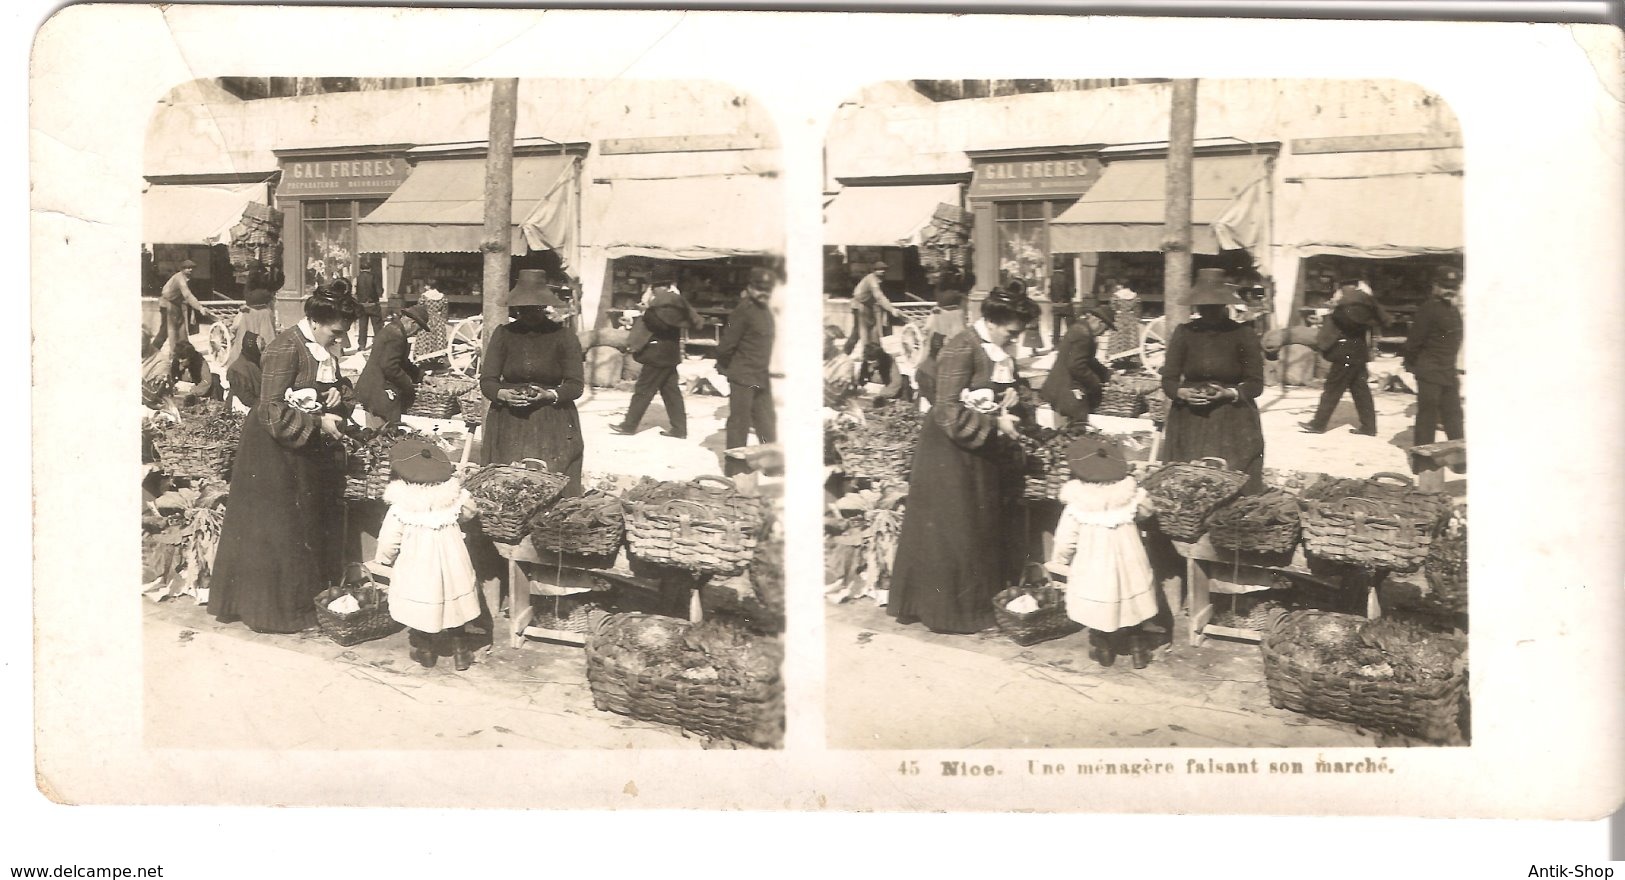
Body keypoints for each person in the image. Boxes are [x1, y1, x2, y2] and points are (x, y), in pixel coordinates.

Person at [887, 287, 1041, 634]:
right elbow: (948, 410)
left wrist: (1012, 397)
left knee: (975, 528)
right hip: (948, 453)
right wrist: (996, 423)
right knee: (953, 531)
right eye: (1011, 331)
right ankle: (947, 612)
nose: (1014, 339)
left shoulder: (995, 349)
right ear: (992, 320)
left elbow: (989, 391)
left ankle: (972, 604)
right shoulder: (961, 347)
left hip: (976, 450)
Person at [208, 290, 362, 633]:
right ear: (315, 321)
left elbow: (327, 388)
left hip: (299, 447)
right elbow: (270, 410)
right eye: (336, 332)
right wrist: (318, 422)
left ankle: (298, 600)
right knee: (277, 529)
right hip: (271, 450)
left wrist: (337, 395)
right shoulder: (285, 347)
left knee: (299, 525)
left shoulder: (322, 347)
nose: (341, 339)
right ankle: (271, 610)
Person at [368, 439, 482, 671]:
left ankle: (426, 651)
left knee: (422, 606)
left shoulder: (400, 508)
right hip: (452, 563)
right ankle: (461, 652)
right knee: (454, 607)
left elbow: (389, 540)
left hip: (418, 567)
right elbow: (470, 512)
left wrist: (384, 559)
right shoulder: (453, 497)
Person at [1046, 436, 1159, 668]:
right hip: (1128, 561)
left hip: (1094, 565)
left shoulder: (1077, 503)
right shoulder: (1130, 494)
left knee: (1098, 604)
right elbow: (1147, 511)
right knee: (1132, 604)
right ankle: (1138, 648)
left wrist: (1060, 560)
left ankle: (1103, 648)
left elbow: (1065, 539)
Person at [479, 269, 586, 495]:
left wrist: (550, 395)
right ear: (516, 308)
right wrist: (502, 394)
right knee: (508, 486)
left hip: (551, 420)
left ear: (544, 306)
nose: (529, 314)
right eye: (523, 308)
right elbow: (488, 381)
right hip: (509, 420)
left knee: (548, 483)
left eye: (535, 308)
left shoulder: (563, 336)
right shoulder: (504, 334)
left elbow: (576, 385)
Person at [1160, 268, 1267, 493]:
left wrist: (1230, 393)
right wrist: (1181, 393)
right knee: (1188, 484)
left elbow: (1256, 384)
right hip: (1189, 418)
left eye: (1214, 307)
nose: (1208, 312)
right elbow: (1169, 379)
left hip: (1232, 418)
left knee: (1230, 481)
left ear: (1224, 306)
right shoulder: (1184, 333)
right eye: (1203, 307)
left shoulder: (1242, 334)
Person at [613, 271, 701, 439]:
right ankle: (679, 429)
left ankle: (629, 426)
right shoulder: (677, 303)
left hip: (657, 355)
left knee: (643, 390)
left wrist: (646, 310)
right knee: (671, 392)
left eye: (653, 287)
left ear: (657, 287)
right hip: (670, 354)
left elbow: (657, 324)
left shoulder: (661, 304)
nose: (651, 290)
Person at [716, 268, 778, 476]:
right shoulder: (742, 311)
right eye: (759, 289)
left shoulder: (765, 310)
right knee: (739, 422)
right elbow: (726, 345)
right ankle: (734, 467)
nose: (764, 293)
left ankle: (772, 463)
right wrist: (728, 368)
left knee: (766, 420)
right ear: (750, 287)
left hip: (761, 374)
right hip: (743, 375)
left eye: (767, 290)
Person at [1300, 278, 1381, 436]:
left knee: (1332, 389)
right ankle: (1369, 427)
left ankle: (1318, 424)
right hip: (1356, 353)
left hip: (1347, 354)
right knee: (1360, 391)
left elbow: (1346, 322)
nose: (1338, 293)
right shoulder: (1362, 306)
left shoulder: (1351, 307)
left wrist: (1333, 310)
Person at [1402, 267, 1465, 447]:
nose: (1449, 290)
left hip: (1448, 371)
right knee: (1427, 417)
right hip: (1430, 372)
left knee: (1453, 414)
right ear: (1435, 286)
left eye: (1453, 287)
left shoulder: (1453, 310)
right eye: (1445, 286)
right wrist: (1415, 365)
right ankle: (1423, 461)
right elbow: (1413, 342)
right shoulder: (1428, 309)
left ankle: (1460, 457)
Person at [353, 304, 428, 428]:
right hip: (379, 392)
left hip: (373, 388)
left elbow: (402, 362)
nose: (415, 334)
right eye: (418, 330)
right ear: (413, 323)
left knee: (378, 432)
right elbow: (390, 367)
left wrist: (421, 376)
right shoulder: (396, 335)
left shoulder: (393, 329)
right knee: (383, 434)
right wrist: (408, 384)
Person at [1040, 304, 1114, 426]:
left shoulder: (1080, 329)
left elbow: (1088, 360)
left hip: (1059, 387)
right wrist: (1096, 384)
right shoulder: (1083, 334)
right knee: (1076, 429)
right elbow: (1077, 366)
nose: (1103, 333)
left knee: (1066, 429)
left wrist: (1108, 374)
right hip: (1066, 390)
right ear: (1099, 322)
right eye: (1105, 329)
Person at [847, 260, 906, 388]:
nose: (882, 272)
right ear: (874, 270)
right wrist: (892, 310)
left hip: (869, 307)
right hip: (860, 308)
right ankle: (859, 373)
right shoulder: (871, 280)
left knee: (873, 342)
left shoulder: (877, 280)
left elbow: (878, 299)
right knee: (865, 342)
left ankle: (875, 373)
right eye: (880, 270)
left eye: (884, 270)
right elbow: (879, 297)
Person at [154, 259, 213, 383]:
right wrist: (199, 307)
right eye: (187, 268)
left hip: (176, 304)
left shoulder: (186, 279)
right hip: (168, 304)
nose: (190, 270)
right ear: (182, 269)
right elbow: (187, 295)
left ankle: (182, 353)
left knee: (179, 330)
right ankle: (170, 356)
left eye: (192, 268)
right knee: (170, 331)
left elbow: (186, 296)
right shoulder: (179, 278)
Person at [222, 280, 279, 409]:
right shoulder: (266, 313)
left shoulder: (245, 311)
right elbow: (270, 336)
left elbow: (234, 327)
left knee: (239, 387)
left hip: (241, 352)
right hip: (259, 354)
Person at [1103, 278, 1142, 362]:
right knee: (1131, 339)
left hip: (1119, 319)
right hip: (1131, 320)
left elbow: (1112, 308)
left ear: (1121, 285)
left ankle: (1117, 358)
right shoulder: (1135, 296)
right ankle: (1131, 359)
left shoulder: (1116, 296)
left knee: (1118, 338)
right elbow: (1137, 311)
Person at [354, 266, 384, 350]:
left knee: (362, 326)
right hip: (373, 304)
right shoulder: (374, 277)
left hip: (362, 305)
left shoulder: (357, 278)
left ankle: (362, 345)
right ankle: (379, 344)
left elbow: (355, 292)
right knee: (377, 326)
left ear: (360, 269)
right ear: (369, 269)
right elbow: (379, 291)